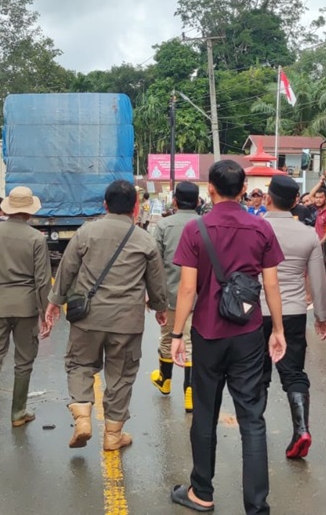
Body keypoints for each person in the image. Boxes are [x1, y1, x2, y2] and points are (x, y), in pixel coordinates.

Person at [168, 159, 286, 514]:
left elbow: (188, 289)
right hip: (249, 334)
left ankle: (201, 493)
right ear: (243, 187)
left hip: (207, 333)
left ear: (211, 189)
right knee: (253, 418)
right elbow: (271, 284)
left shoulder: (196, 230)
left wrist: (177, 333)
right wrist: (277, 330)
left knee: (205, 413)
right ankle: (256, 506)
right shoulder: (261, 228)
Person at [42, 180, 168, 451]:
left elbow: (66, 270)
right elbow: (156, 282)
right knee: (121, 375)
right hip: (127, 321)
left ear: (105, 204)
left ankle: (83, 418)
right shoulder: (145, 239)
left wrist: (54, 302)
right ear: (135, 208)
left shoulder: (86, 232)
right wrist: (160, 308)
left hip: (88, 318)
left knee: (79, 365)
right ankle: (113, 435)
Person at [0, 186, 52, 441]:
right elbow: (42, 280)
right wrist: (44, 313)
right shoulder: (36, 239)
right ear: (29, 211)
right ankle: (18, 412)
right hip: (25, 306)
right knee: (24, 360)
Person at [260, 176, 326, 460]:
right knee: (294, 373)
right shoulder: (307, 234)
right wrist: (322, 316)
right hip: (292, 312)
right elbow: (318, 280)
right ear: (295, 203)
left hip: (257, 311)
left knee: (256, 374)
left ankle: (254, 429)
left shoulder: (256, 228)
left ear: (268, 198)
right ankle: (301, 429)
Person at [149, 182, 200, 412]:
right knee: (191, 343)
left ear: (175, 202)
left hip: (171, 294)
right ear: (198, 201)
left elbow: (155, 264)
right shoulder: (205, 224)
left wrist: (153, 296)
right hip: (201, 296)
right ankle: (190, 391)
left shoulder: (163, 226)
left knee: (168, 337)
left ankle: (165, 380)